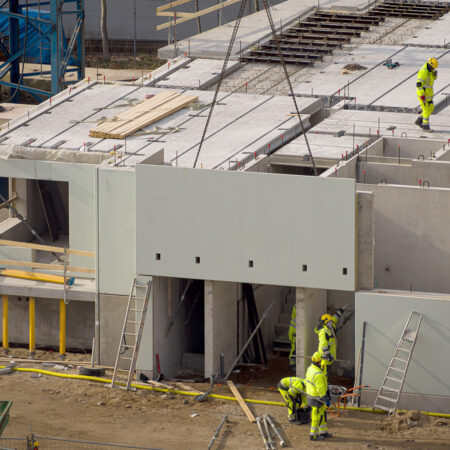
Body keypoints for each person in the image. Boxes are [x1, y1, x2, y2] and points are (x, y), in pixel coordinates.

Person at [305, 352, 332, 441]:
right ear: (319, 362)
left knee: (322, 414)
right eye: (322, 360)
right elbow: (320, 389)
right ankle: (313, 435)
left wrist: (328, 359)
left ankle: (323, 432)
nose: (323, 362)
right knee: (316, 417)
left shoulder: (310, 368)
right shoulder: (318, 374)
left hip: (311, 395)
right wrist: (326, 399)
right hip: (317, 397)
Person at [314, 305, 348, 375]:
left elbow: (335, 317)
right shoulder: (323, 331)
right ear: (325, 323)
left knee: (328, 373)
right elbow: (323, 345)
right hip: (325, 358)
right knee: (325, 374)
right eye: (329, 322)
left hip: (329, 357)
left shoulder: (330, 324)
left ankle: (326, 383)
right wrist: (328, 355)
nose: (331, 323)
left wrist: (341, 310)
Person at [415, 57, 439, 132]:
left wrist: (435, 75)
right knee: (425, 110)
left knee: (431, 108)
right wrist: (422, 95)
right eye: (433, 68)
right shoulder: (423, 72)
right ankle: (425, 127)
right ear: (429, 66)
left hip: (428, 96)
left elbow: (432, 79)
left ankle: (419, 120)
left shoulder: (430, 71)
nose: (433, 69)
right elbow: (419, 85)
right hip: (423, 96)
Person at [288, 305, 296, 371]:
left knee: (293, 350)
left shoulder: (294, 319)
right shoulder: (295, 320)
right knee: (294, 351)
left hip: (294, 336)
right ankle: (292, 365)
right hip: (294, 336)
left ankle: (292, 365)